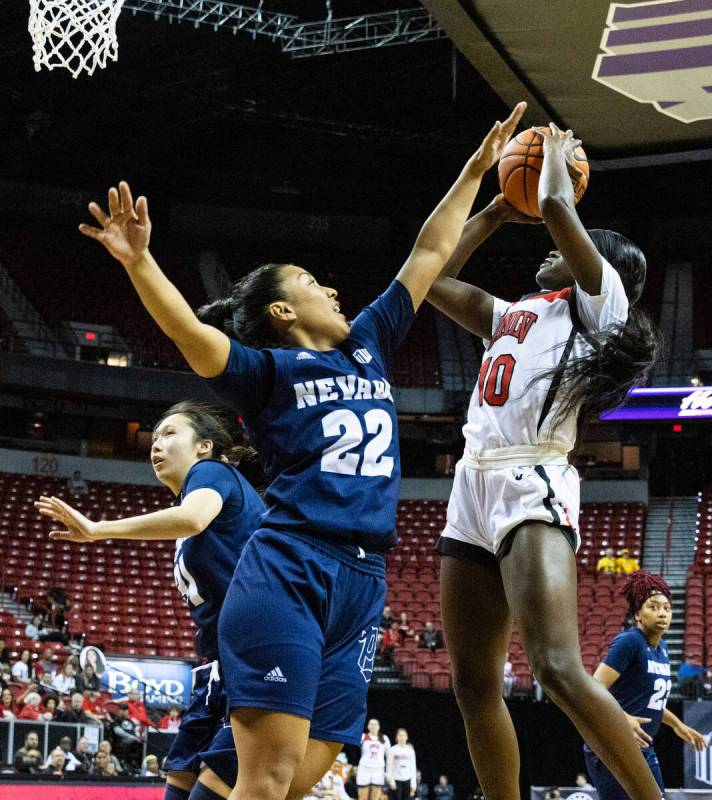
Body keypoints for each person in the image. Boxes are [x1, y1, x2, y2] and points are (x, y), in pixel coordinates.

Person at [75, 100, 527, 800]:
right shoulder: (268, 375)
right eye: (315, 284)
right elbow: (189, 338)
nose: (335, 288)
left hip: (363, 582)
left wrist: (474, 173)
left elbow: (430, 253)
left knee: (295, 786)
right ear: (284, 311)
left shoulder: (369, 344)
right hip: (289, 569)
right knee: (267, 778)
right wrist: (139, 263)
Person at [427, 121, 664, 800]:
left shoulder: (604, 304)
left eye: (564, 249)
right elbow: (434, 274)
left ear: (594, 258)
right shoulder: (517, 313)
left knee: (557, 667)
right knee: (472, 682)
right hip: (471, 481)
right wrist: (498, 209)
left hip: (533, 477)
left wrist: (554, 159)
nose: (549, 246)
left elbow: (559, 209)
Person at [36, 400, 267, 800]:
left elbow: (194, 518)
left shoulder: (213, 473)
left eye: (170, 433)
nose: (155, 445)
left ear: (204, 446)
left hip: (254, 654)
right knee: (179, 779)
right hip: (216, 662)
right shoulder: (191, 500)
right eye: (154, 437)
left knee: (213, 787)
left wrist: (98, 529)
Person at [585, 570, 707, 799]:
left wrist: (678, 725)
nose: (662, 613)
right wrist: (624, 718)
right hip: (612, 745)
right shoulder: (629, 641)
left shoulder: (663, 649)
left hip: (642, 746)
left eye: (667, 608)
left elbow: (652, 701)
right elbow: (593, 688)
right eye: (653, 607)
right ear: (638, 615)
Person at [357, 719, 393, 800]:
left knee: (375, 798)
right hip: (364, 769)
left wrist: (389, 773)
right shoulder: (363, 737)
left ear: (379, 726)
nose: (373, 726)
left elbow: (389, 756)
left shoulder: (384, 738)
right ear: (368, 726)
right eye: (371, 724)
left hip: (378, 769)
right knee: (362, 798)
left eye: (375, 724)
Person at [390, 728, 417, 800]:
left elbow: (413, 767)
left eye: (404, 735)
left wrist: (413, 784)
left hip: (407, 780)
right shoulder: (392, 749)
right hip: (396, 781)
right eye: (400, 735)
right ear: (396, 737)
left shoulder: (410, 750)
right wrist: (391, 781)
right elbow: (389, 767)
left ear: (407, 737)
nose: (402, 737)